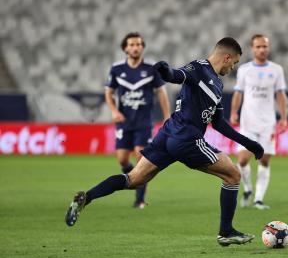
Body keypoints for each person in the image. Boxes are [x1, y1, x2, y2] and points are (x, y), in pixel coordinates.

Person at [65, 37, 264, 246]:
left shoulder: (217, 84)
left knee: (134, 180)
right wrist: (165, 71)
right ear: (227, 57)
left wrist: (249, 143)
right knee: (233, 175)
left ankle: (86, 197)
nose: (233, 68)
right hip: (186, 138)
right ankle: (226, 231)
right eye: (234, 63)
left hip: (167, 135)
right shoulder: (198, 68)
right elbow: (177, 76)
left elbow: (219, 124)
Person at [105, 32, 171, 209]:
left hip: (143, 122)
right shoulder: (117, 69)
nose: (135, 47)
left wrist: (167, 116)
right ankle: (134, 178)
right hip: (124, 121)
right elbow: (108, 92)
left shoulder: (151, 69)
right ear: (125, 48)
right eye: (132, 45)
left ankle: (139, 198)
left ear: (142, 47)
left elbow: (161, 93)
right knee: (122, 159)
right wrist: (113, 111)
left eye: (138, 44)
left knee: (141, 155)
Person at [230, 34, 288, 210]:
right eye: (258, 47)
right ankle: (247, 188)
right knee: (242, 160)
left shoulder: (277, 69)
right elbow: (238, 92)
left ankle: (258, 199)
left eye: (265, 46)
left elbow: (280, 95)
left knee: (264, 160)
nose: (262, 49)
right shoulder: (244, 70)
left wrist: (284, 118)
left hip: (267, 123)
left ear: (268, 48)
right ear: (252, 49)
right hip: (248, 122)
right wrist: (233, 112)